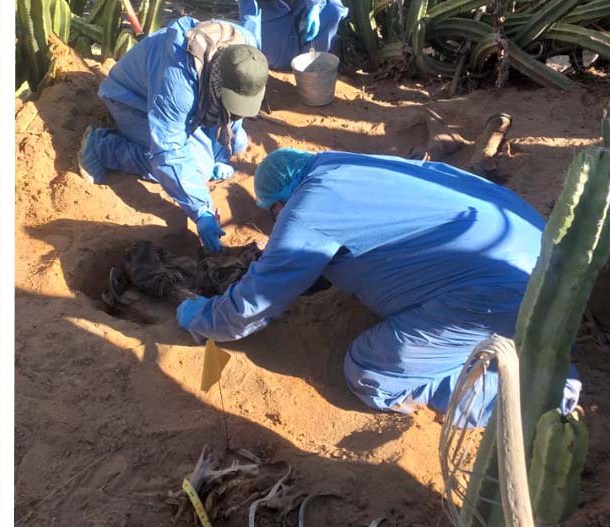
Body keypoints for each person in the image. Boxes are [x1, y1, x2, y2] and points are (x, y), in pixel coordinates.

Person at [175, 148, 582, 427]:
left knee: (370, 373)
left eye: (274, 217)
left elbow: (254, 304)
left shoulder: (306, 212)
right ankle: (527, 341)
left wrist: (205, 317)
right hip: (545, 254)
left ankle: (543, 392)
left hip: (500, 292)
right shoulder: (346, 164)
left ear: (280, 206)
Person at [79, 17, 269, 252]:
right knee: (196, 167)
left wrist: (222, 152)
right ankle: (103, 147)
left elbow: (232, 116)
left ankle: (210, 157)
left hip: (196, 99)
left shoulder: (246, 51)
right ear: (218, 85)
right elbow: (168, 151)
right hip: (132, 101)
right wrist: (201, 211)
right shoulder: (177, 83)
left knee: (235, 143)